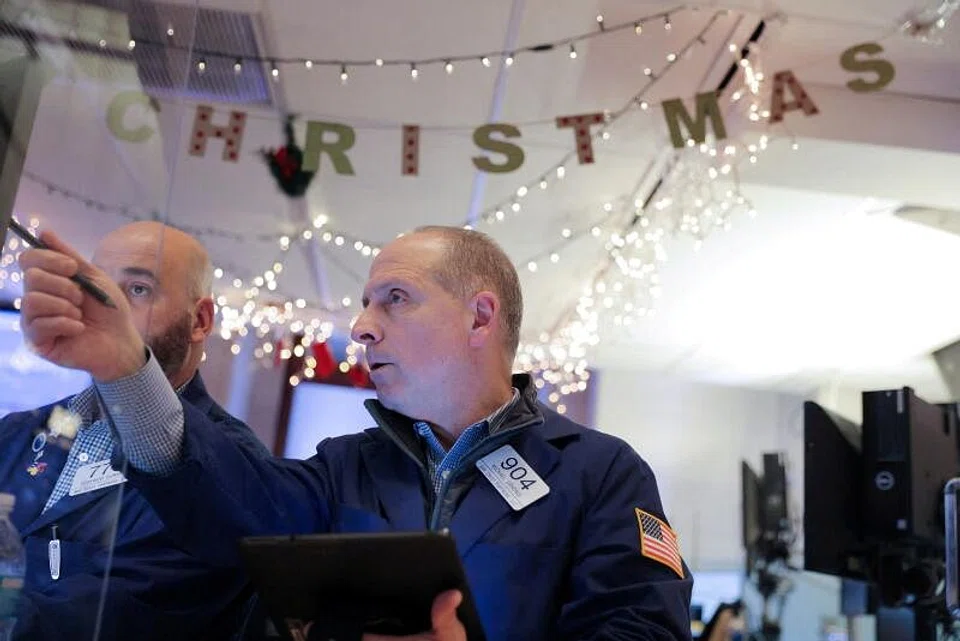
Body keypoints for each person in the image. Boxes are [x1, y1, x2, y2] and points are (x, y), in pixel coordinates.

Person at [18, 224, 693, 641]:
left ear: (480, 317)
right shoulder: (342, 468)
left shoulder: (600, 473)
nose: (363, 327)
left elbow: (644, 631)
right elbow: (221, 498)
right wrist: (127, 368)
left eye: (395, 299)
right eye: (366, 303)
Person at [4, 221, 271, 641]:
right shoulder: (21, 431)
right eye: (98, 287)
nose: (106, 308)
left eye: (138, 289)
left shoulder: (230, 466)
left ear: (200, 321)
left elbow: (117, 614)